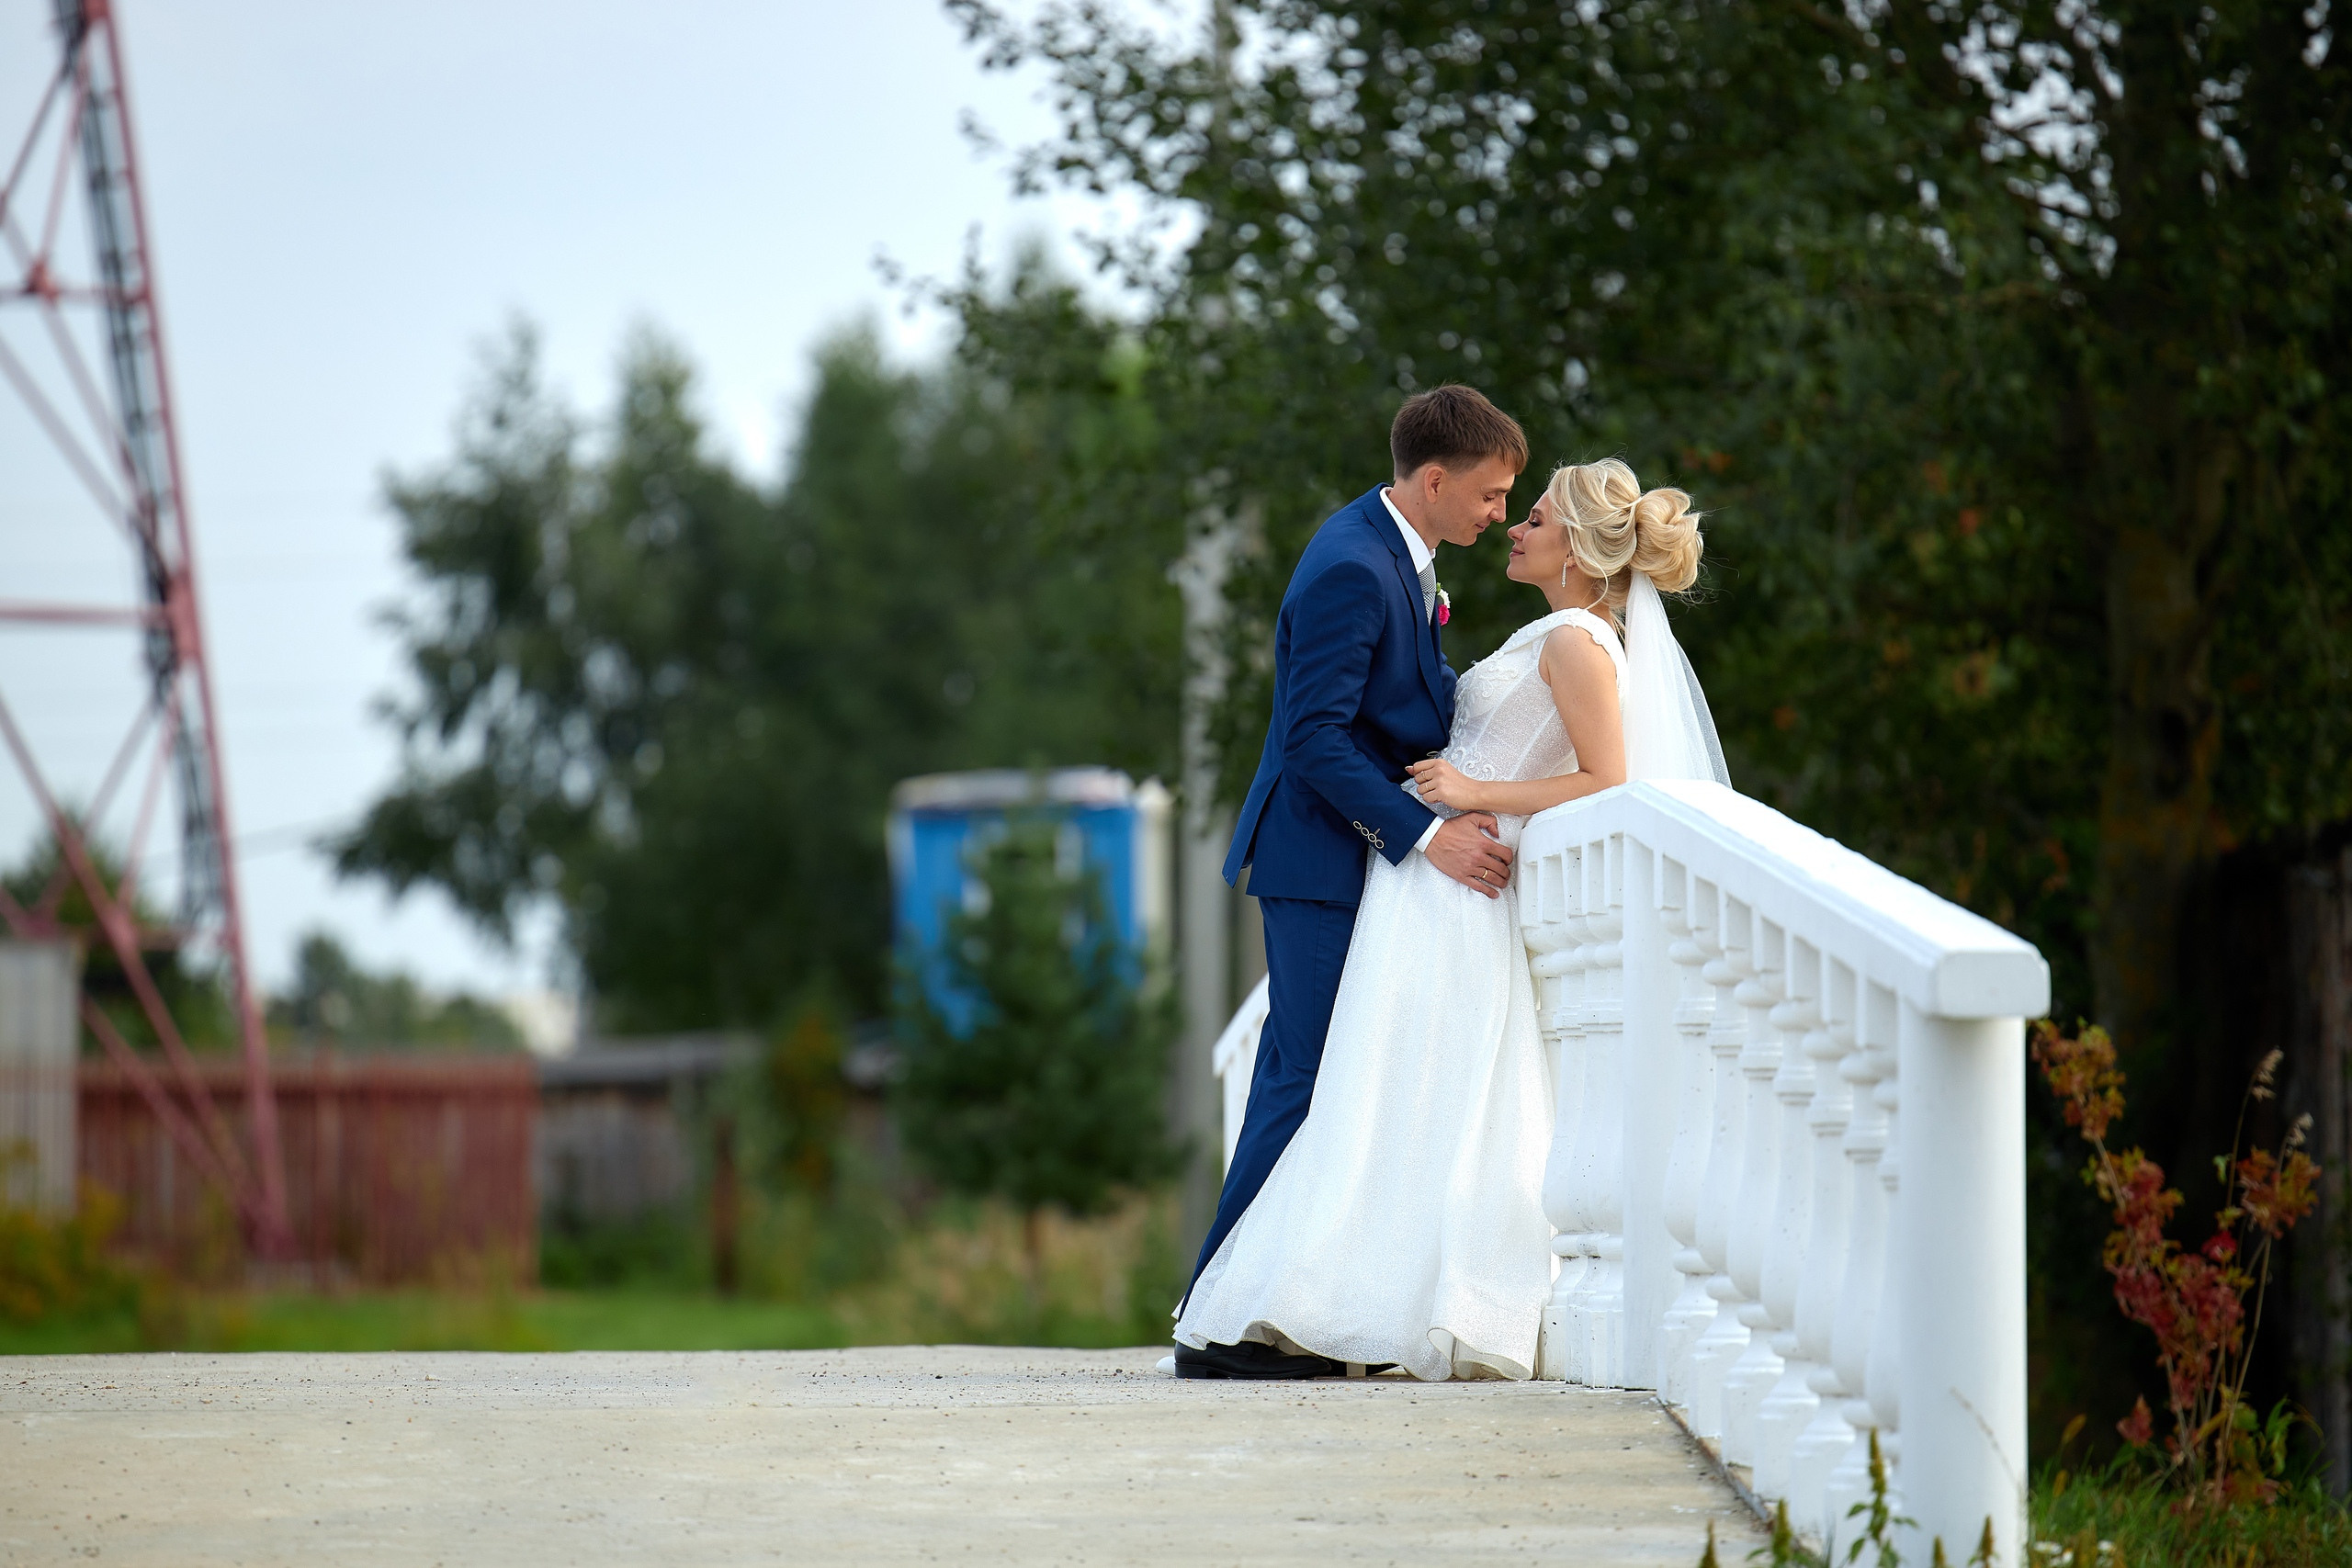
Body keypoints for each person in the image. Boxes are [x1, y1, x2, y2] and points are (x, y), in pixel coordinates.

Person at [1174, 453, 1727, 1382]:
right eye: (1512, 506)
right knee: (1376, 1096)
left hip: (1449, 892)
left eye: (1537, 517)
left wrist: (1470, 789)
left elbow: (1608, 780)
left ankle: (1316, 1310)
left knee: (1390, 1097)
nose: (1515, 524)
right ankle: (1300, 1307)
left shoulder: (1575, 645)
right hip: (1423, 886)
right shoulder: (1556, 632)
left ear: (1581, 552)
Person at [1173, 386, 1528, 1380]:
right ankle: (1215, 1326)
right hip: (1318, 861)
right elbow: (1312, 740)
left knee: (1317, 1077)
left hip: (1341, 858)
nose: (1498, 513)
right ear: (1433, 479)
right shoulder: (1351, 568)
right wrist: (1425, 835)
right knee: (1300, 1079)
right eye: (1492, 495)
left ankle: (1252, 1307)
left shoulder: (1392, 554)